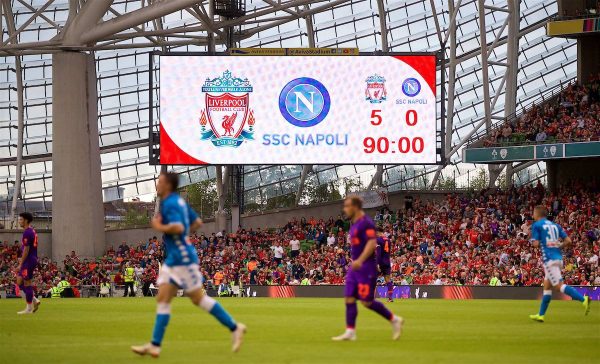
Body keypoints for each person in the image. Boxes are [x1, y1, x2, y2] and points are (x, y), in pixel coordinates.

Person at [131, 171, 245, 358]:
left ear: (168, 185)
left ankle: (235, 327)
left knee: (197, 299)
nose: (156, 185)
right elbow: (197, 222)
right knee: (163, 298)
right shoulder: (179, 202)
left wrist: (161, 228)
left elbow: (177, 227)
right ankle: (155, 345)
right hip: (174, 258)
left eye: (159, 182)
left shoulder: (170, 203)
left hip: (182, 258)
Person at [332, 196, 403, 341]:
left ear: (355, 207)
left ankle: (394, 319)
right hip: (356, 266)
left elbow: (372, 245)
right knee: (349, 297)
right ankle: (350, 331)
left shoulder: (367, 223)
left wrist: (361, 260)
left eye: (347, 206)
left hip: (366, 266)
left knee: (367, 302)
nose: (345, 209)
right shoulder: (355, 223)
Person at [529, 205, 591, 323]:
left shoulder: (537, 225)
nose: (533, 215)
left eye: (533, 212)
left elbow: (536, 244)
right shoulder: (555, 226)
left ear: (537, 214)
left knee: (558, 286)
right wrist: (558, 246)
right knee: (547, 286)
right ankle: (541, 315)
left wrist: (532, 240)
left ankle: (583, 299)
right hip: (558, 257)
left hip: (549, 260)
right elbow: (568, 241)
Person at [15, 212, 41, 314]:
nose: (19, 221)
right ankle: (34, 300)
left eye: (21, 219)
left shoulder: (27, 232)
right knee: (19, 281)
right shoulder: (31, 231)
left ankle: (29, 308)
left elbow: (26, 249)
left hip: (29, 260)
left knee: (27, 283)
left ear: (26, 220)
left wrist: (21, 263)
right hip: (29, 259)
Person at [376, 229, 394, 302]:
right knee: (388, 280)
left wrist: (377, 263)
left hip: (380, 262)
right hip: (387, 262)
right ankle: (390, 298)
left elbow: (378, 252)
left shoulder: (378, 240)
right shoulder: (388, 240)